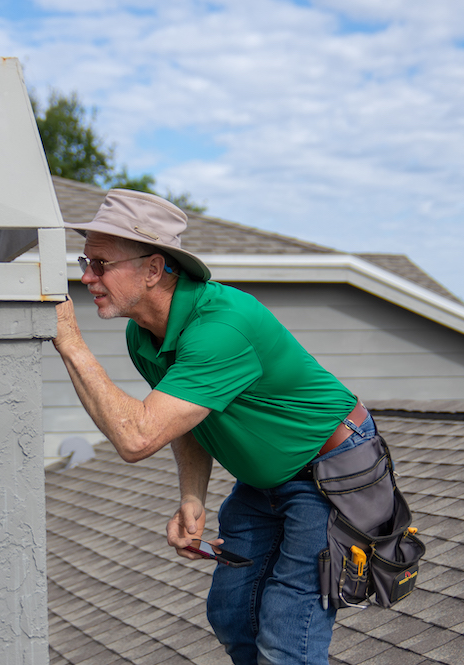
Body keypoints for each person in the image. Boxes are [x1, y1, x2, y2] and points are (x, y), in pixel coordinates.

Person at [52, 189, 377, 665]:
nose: (85, 277)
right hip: (265, 480)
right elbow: (179, 422)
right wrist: (191, 496)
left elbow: (137, 437)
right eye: (85, 260)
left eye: (100, 264)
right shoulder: (144, 333)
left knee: (287, 636)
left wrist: (71, 342)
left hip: (331, 474)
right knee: (230, 613)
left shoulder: (221, 328)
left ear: (152, 268)